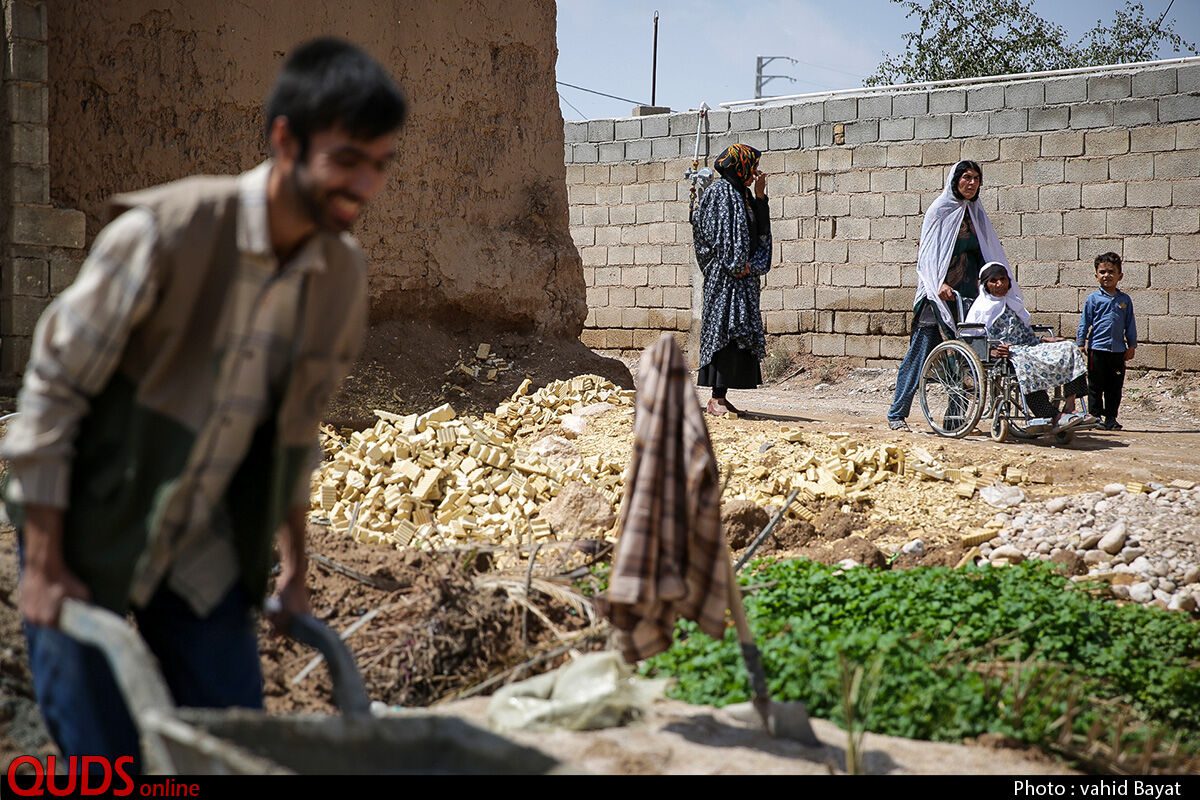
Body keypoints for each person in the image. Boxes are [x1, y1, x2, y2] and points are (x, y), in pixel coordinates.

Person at [0, 38, 406, 766]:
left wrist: (295, 568)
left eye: (380, 164)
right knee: (104, 764)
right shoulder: (166, 234)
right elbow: (52, 393)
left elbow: (297, 433)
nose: (367, 185)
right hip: (92, 529)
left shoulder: (339, 279)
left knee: (226, 748)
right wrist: (42, 563)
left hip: (203, 548)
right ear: (286, 139)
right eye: (349, 159)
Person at [886, 160, 1012, 431]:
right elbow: (928, 256)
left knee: (966, 360)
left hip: (968, 298)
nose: (971, 183)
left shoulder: (977, 215)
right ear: (955, 180)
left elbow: (990, 255)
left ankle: (955, 420)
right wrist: (938, 283)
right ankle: (897, 413)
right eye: (966, 177)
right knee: (919, 354)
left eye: (976, 178)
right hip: (937, 297)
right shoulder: (939, 211)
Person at [966, 262, 1093, 432]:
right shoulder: (981, 309)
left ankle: (1070, 407)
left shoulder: (1014, 303)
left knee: (1068, 347)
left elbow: (1025, 332)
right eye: (993, 281)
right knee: (1026, 363)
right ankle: (1050, 415)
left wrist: (1042, 340)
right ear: (985, 285)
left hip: (1029, 346)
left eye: (1003, 279)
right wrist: (992, 350)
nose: (999, 284)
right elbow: (971, 338)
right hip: (1008, 353)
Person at [693, 143, 771, 417]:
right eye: (752, 166)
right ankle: (715, 398)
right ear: (738, 167)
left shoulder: (744, 195)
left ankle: (722, 397)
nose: (756, 172)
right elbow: (722, 239)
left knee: (738, 334)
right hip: (726, 279)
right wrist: (737, 264)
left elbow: (759, 232)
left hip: (743, 277)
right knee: (724, 332)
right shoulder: (721, 193)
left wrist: (760, 198)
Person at [1076, 252, 1137, 431]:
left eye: (1111, 272)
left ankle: (1111, 418)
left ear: (1120, 276)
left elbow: (1130, 324)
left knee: (1114, 386)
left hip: (1118, 351)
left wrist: (1132, 345)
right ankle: (1095, 417)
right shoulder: (1093, 299)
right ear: (1096, 275)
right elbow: (1085, 322)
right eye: (1102, 272)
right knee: (1095, 385)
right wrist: (1081, 342)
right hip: (1097, 349)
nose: (1106, 276)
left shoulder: (1124, 300)